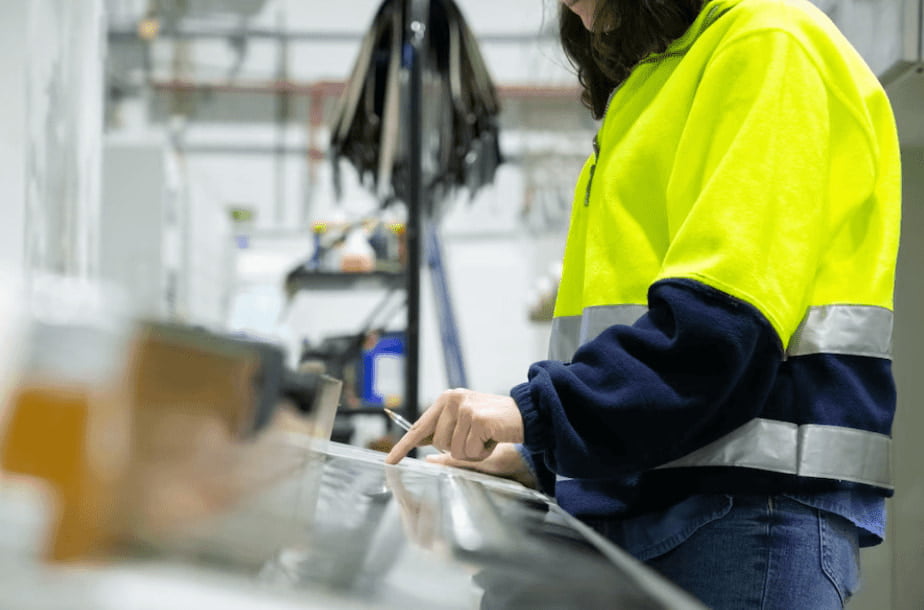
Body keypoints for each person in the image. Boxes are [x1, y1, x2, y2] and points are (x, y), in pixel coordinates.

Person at [386, 0, 901, 607]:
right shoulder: (655, 84)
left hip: (743, 521)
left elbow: (721, 332)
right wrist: (539, 455)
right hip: (667, 507)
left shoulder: (767, 44)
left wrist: (540, 413)